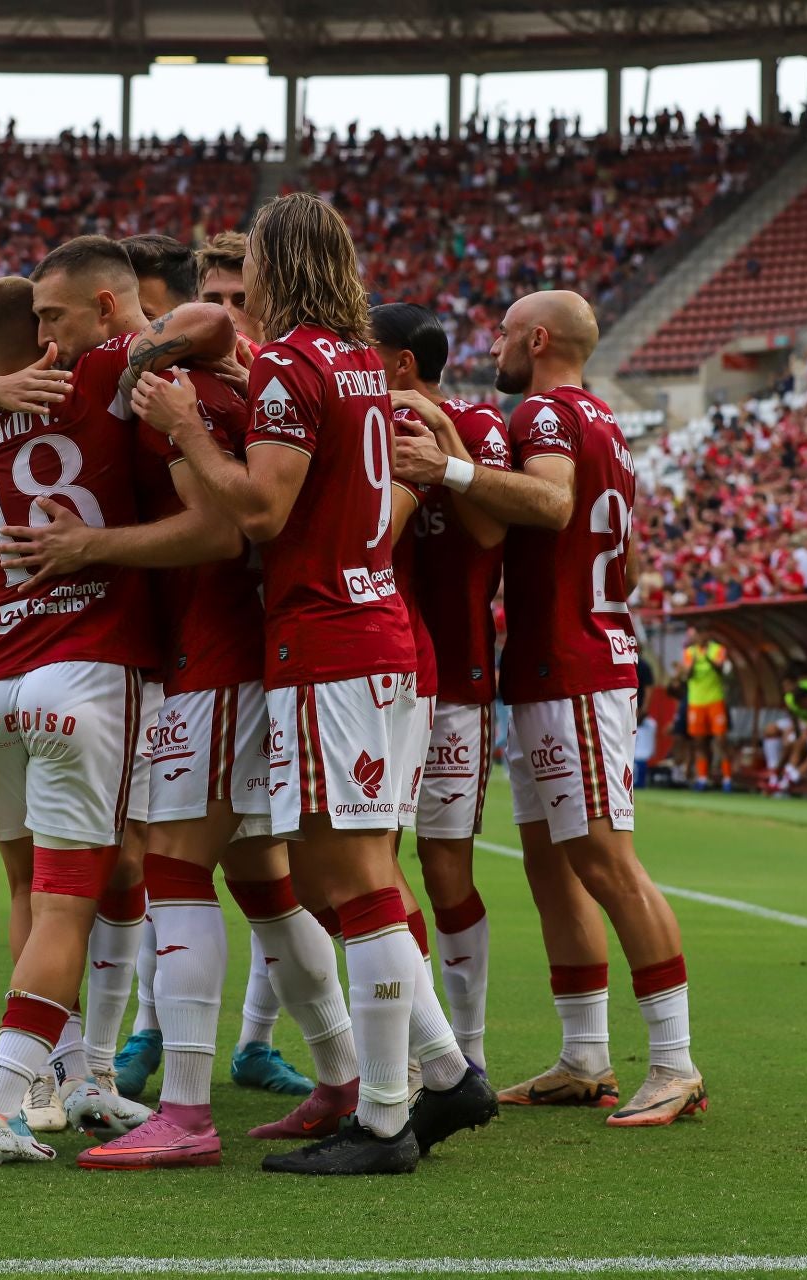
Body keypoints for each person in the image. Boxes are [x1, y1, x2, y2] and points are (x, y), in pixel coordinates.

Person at [153, 191, 495, 1174]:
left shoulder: (294, 366)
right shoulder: (352, 362)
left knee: (350, 882)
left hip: (329, 645)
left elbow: (260, 509)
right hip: (378, 630)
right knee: (344, 874)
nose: (242, 274)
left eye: (252, 255)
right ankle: (440, 1068)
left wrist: (186, 427)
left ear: (278, 263)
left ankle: (387, 1117)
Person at [0, 256, 230, 1165]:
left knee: (42, 889)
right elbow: (211, 328)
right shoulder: (105, 371)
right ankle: (5, 1099)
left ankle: (80, 1079)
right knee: (78, 897)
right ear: (46, 339)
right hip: (87, 671)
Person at [393, 288, 707, 1128]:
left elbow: (557, 503)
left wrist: (451, 469)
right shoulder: (607, 423)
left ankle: (674, 1062)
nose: (491, 345)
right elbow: (628, 563)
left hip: (574, 667)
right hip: (549, 664)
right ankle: (584, 1055)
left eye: (501, 332)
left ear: (537, 339)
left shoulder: (545, 416)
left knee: (604, 860)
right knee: (551, 866)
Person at [113, 232, 316, 1106]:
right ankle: (369, 1075)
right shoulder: (266, 382)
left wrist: (87, 542)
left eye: (241, 302)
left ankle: (192, 1096)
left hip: (238, 657)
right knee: (269, 879)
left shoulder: (265, 389)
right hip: (204, 657)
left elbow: (239, 526)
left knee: (199, 866)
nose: (225, 322)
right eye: (214, 303)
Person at [370, 301, 510, 1076]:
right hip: (386, 675)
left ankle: (469, 1050)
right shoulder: (366, 426)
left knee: (446, 869)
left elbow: (490, 535)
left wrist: (443, 442)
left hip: (458, 681)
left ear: (399, 362)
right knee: (373, 861)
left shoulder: (480, 426)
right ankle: (409, 1051)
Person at [676, 624, 732, 792]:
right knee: (699, 742)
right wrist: (692, 663)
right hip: (696, 702)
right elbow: (686, 675)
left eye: (702, 633)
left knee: (721, 740)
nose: (699, 637)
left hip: (715, 701)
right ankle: (702, 778)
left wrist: (707, 657)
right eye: (697, 634)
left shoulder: (718, 650)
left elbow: (721, 669)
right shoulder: (689, 652)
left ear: (708, 634)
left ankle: (727, 779)